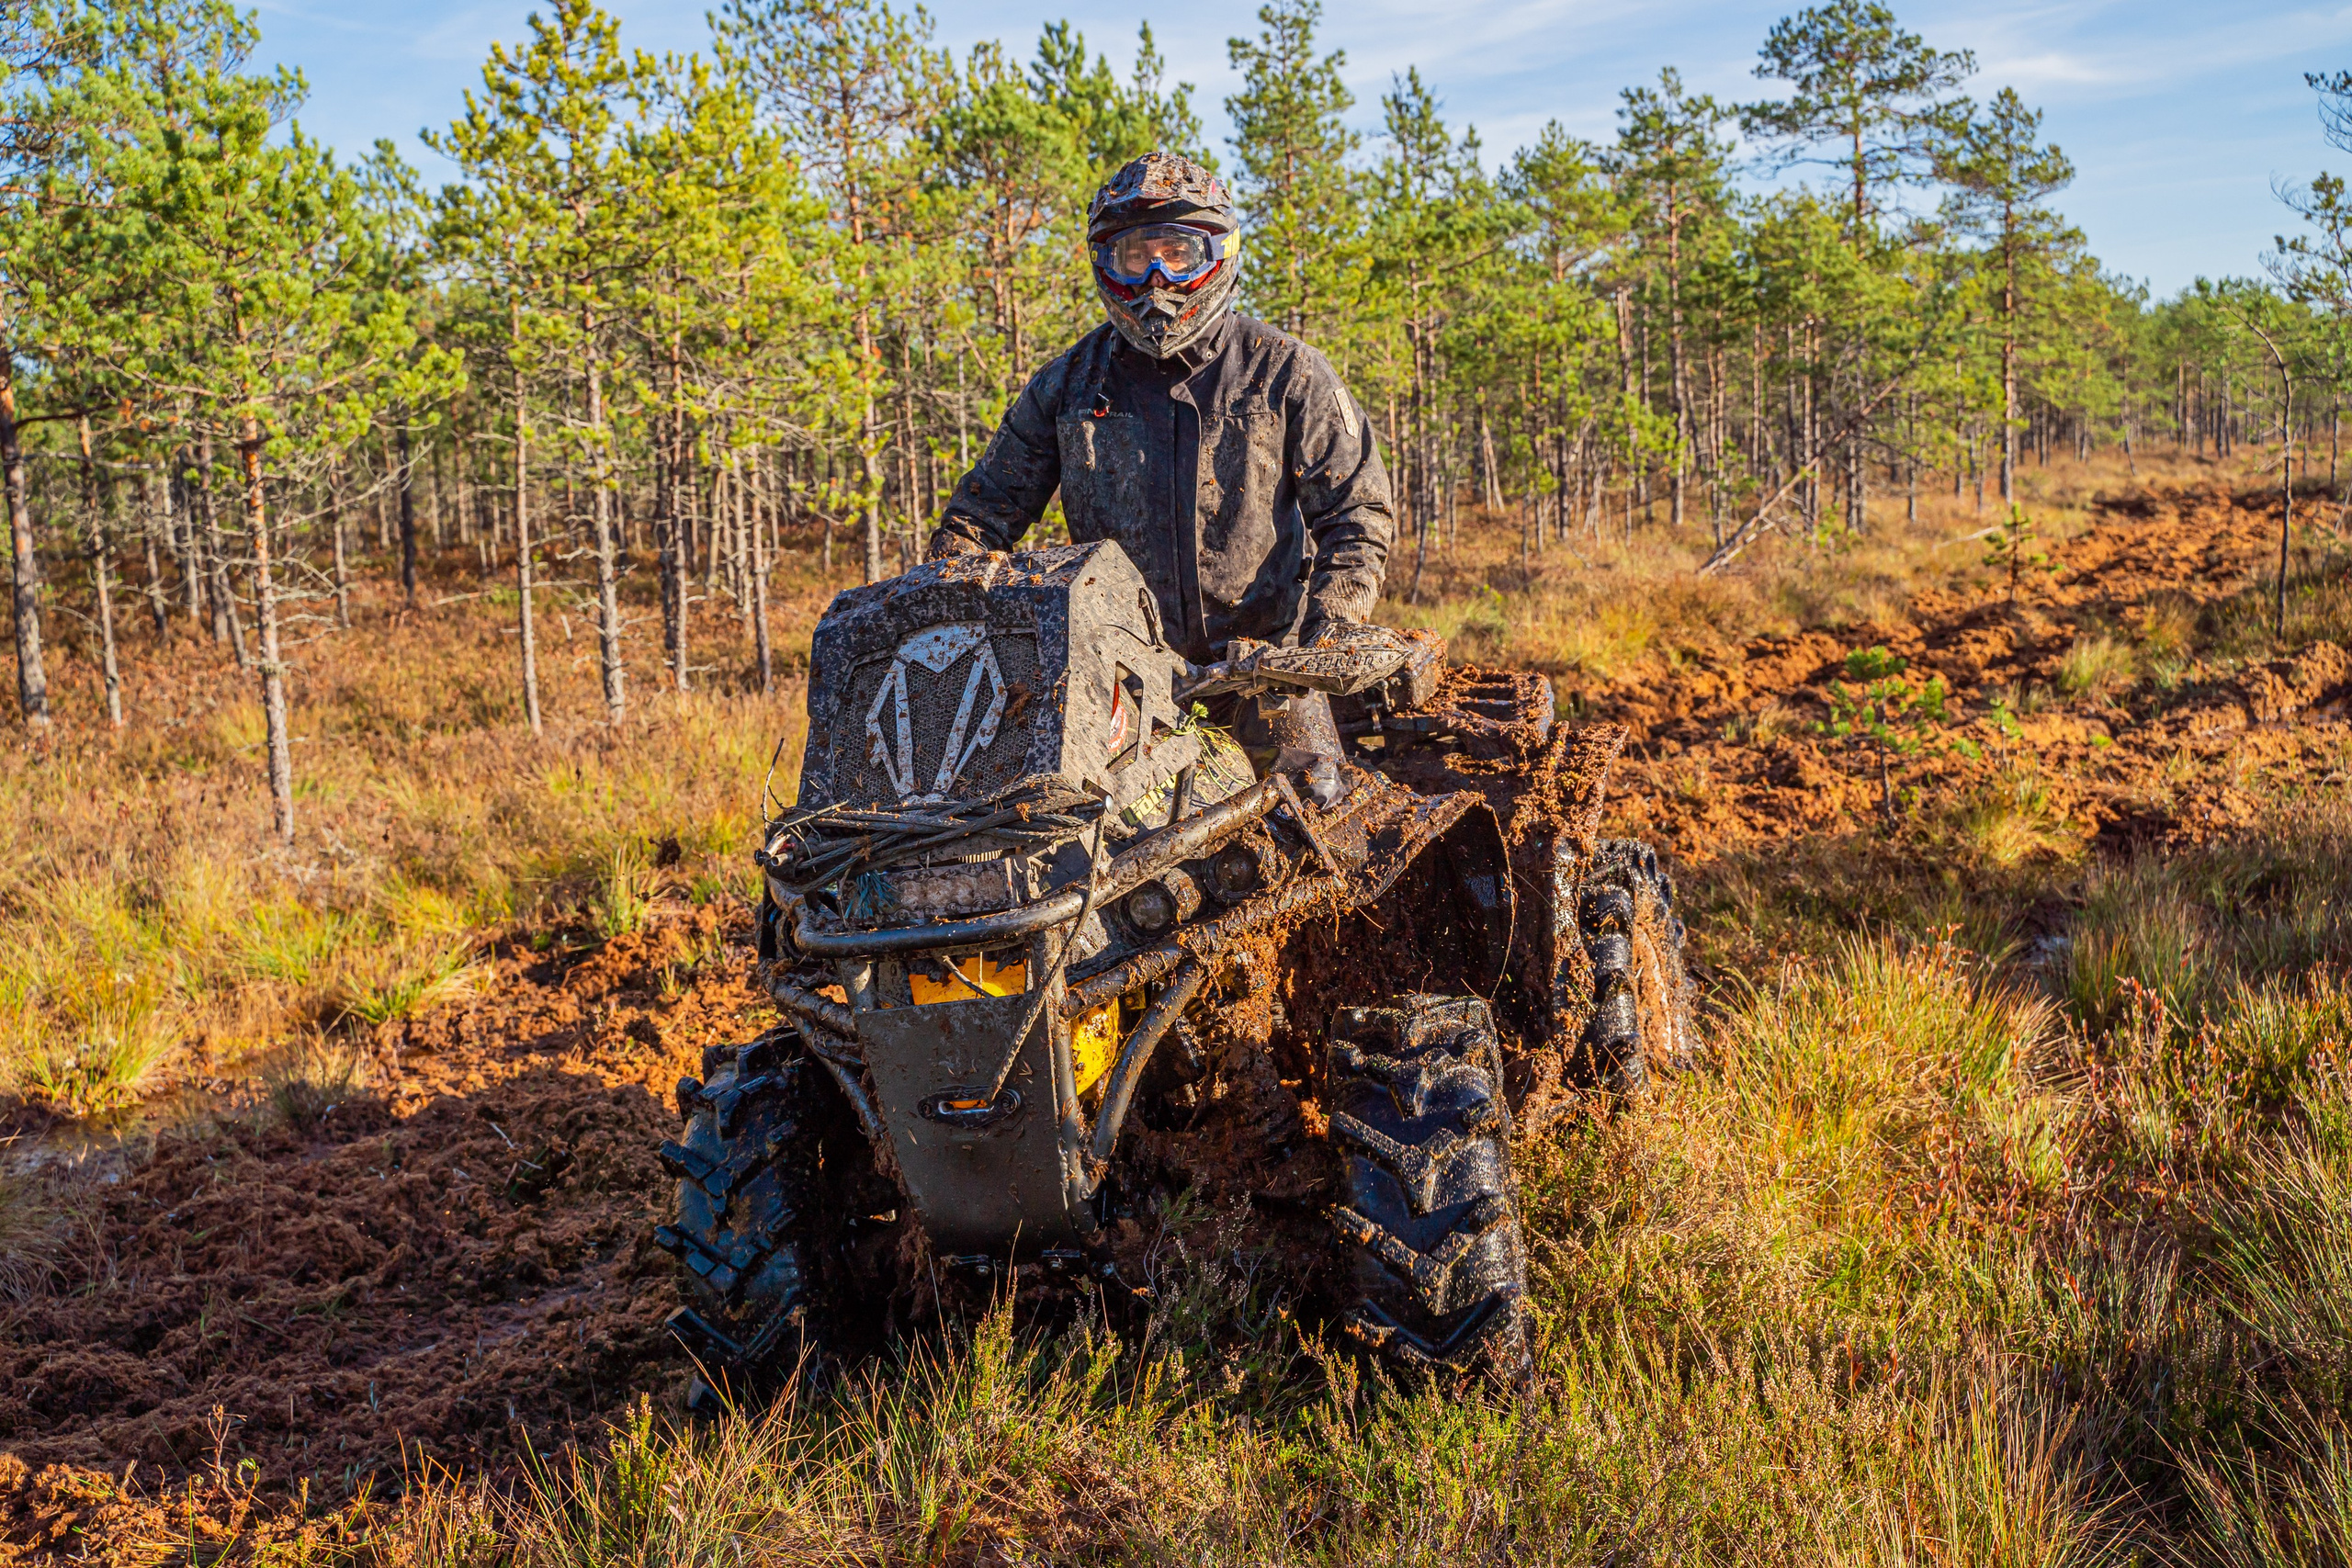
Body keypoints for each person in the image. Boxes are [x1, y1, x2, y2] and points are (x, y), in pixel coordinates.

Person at [927, 151, 1396, 797]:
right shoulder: (1067, 386)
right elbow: (976, 523)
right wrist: (971, 630)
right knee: (1089, 855)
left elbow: (1356, 513)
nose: (1155, 277)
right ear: (1104, 264)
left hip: (1268, 674)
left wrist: (1325, 640)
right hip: (1116, 680)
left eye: (1177, 253)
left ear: (1218, 255)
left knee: (1317, 821)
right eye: (1133, 256)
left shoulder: (1286, 372)